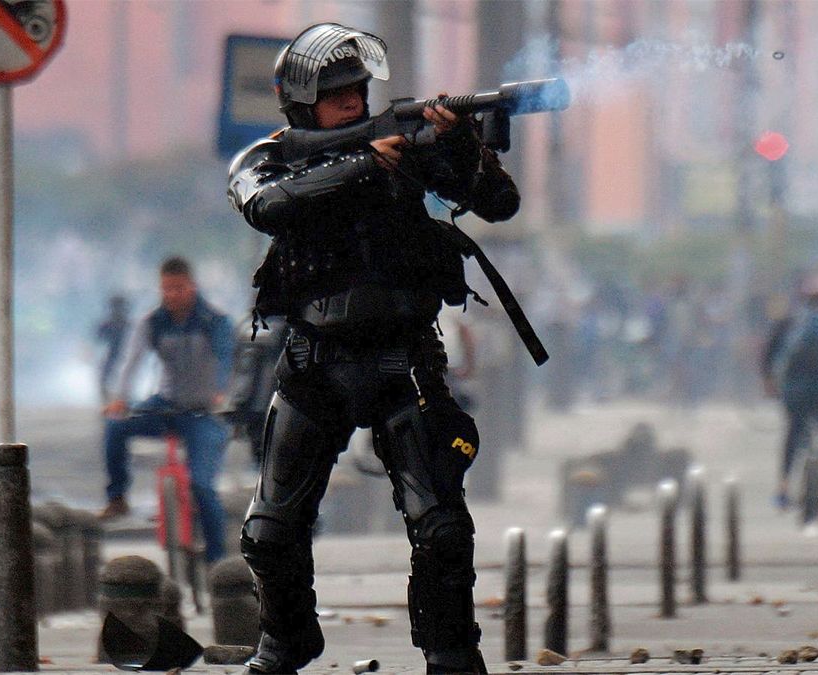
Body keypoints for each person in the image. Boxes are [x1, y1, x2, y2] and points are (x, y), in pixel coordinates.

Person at [227, 23, 521, 674]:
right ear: (304, 108)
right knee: (270, 531)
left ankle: (450, 652)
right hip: (314, 362)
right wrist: (365, 164)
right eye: (338, 98)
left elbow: (498, 203)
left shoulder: (407, 146)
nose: (354, 104)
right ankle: (284, 643)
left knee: (441, 524)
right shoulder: (272, 156)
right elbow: (265, 203)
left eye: (359, 92)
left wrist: (460, 146)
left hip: (402, 359)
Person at [98, 257, 235, 564]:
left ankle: (217, 562)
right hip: (165, 406)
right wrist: (119, 397)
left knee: (202, 484)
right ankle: (117, 496)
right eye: (166, 289)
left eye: (178, 288)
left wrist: (220, 391)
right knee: (116, 426)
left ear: (192, 286)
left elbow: (227, 359)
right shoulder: (153, 322)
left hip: (204, 414)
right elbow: (130, 362)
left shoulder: (214, 322)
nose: (172, 295)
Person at [761, 279, 818, 514]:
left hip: (796, 391)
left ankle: (783, 489)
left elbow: (769, 358)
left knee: (794, 433)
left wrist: (770, 385)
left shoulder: (789, 325)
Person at [95, 294, 132, 401]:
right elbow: (99, 337)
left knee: (123, 378)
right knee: (104, 378)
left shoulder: (127, 324)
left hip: (124, 356)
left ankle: (121, 399)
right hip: (114, 355)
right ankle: (109, 399)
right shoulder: (110, 324)